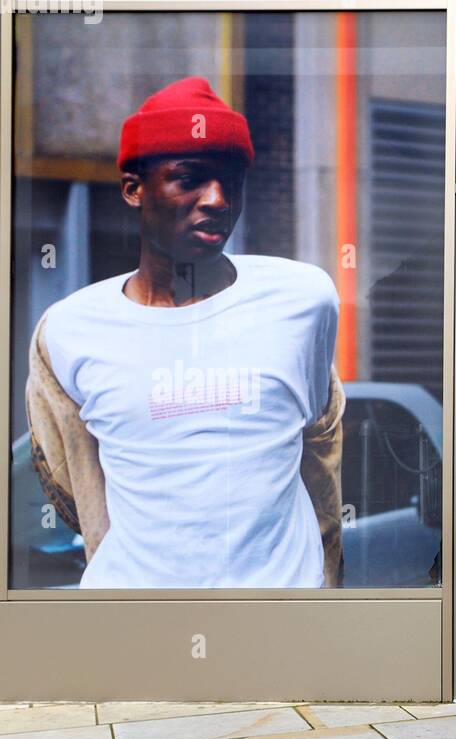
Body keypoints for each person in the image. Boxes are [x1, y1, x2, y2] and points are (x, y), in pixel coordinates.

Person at [26, 76, 345, 588]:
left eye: (231, 181)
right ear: (134, 189)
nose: (217, 199)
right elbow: (73, 481)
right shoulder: (69, 330)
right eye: (190, 178)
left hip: (281, 630)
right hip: (137, 633)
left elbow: (318, 443)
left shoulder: (303, 299)